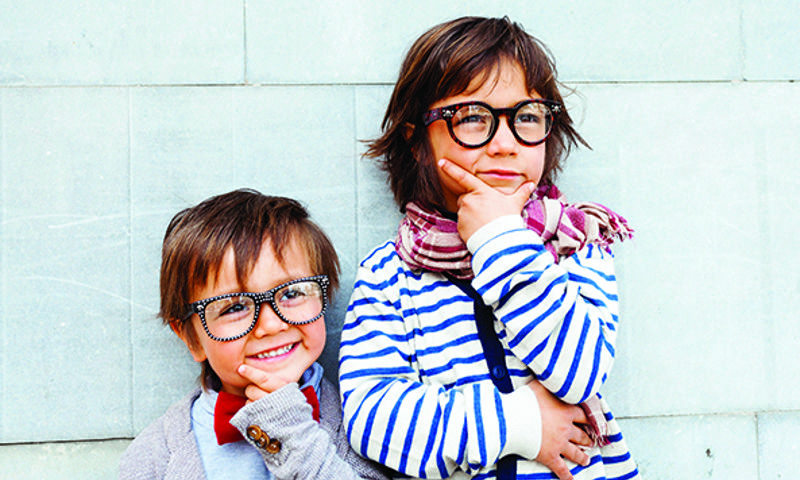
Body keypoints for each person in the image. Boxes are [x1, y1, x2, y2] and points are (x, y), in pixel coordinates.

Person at [338, 16, 639, 480]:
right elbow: (374, 420)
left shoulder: (576, 245)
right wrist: (520, 424)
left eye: (526, 118)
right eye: (473, 118)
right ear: (417, 140)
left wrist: (500, 240)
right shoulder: (389, 275)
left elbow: (580, 373)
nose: (504, 144)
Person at [120, 189, 389, 480]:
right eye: (234, 307)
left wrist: (292, 432)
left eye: (292, 292)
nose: (272, 325)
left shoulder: (366, 425)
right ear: (192, 338)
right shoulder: (153, 457)